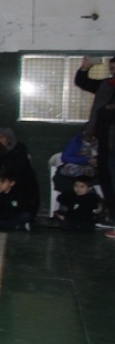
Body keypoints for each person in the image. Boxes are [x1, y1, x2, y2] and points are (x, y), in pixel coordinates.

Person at [74, 55, 115, 220]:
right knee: (106, 178)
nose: (113, 72)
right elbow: (84, 82)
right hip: (104, 141)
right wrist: (84, 68)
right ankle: (113, 215)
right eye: (112, 69)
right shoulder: (106, 85)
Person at [0, 127, 40, 216]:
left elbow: (19, 170)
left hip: (17, 185)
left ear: (9, 139)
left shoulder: (19, 149)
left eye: (1, 137)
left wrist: (7, 182)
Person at [53, 131, 98, 196]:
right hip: (76, 167)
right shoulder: (77, 141)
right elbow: (65, 157)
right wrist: (86, 160)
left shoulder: (103, 141)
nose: (90, 138)